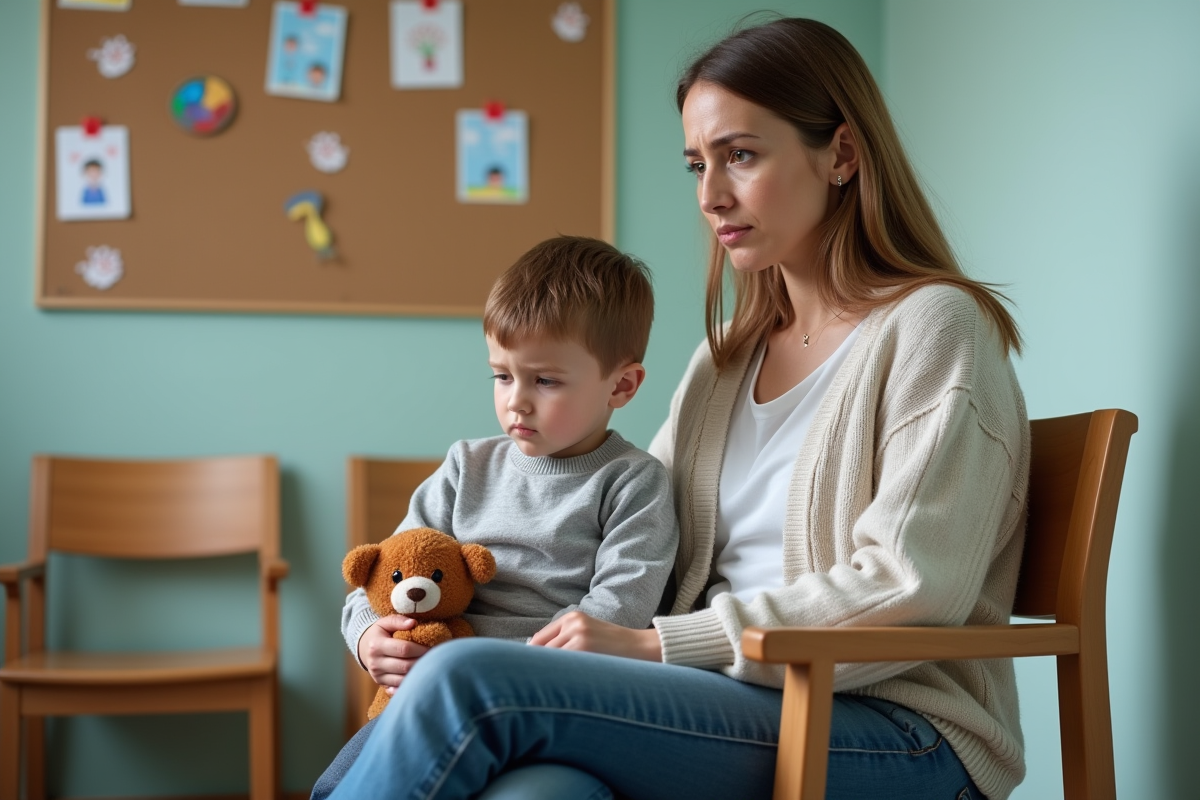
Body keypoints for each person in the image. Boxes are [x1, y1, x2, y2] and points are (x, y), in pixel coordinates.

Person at [322, 16, 1029, 800]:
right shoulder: (723, 363)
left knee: (469, 682)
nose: (711, 195)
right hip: (721, 703)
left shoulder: (933, 328)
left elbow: (914, 585)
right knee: (544, 795)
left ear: (843, 155)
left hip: (890, 727)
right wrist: (375, 630)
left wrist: (660, 646)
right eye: (698, 164)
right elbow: (617, 521)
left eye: (742, 156)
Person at [312, 236, 680, 798]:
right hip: (439, 687)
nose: (517, 401)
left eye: (546, 380)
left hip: (545, 693)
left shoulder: (632, 480)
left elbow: (621, 608)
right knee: (346, 774)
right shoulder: (467, 465)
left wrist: (518, 672)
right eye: (503, 376)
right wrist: (369, 639)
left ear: (622, 385)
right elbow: (384, 573)